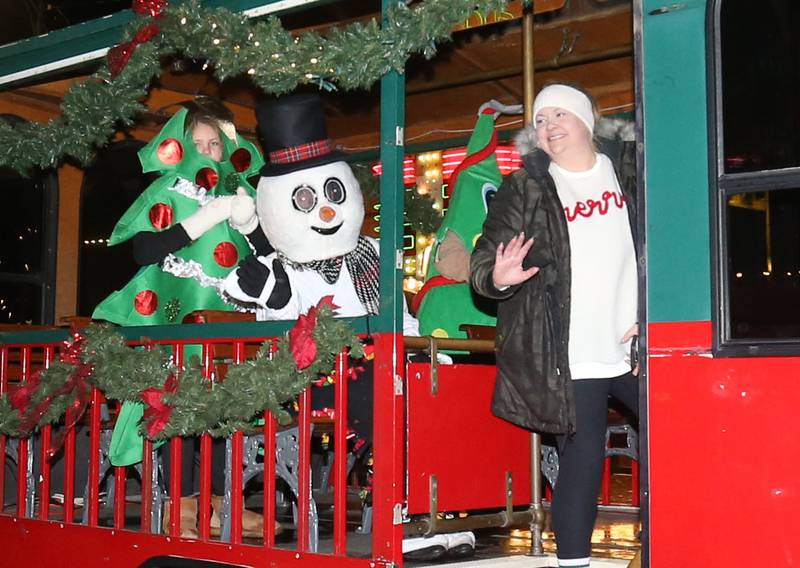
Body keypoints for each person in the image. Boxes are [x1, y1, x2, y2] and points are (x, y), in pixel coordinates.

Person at [470, 83, 639, 568]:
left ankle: (684, 537)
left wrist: (653, 313)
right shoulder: (525, 186)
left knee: (680, 434)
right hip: (569, 348)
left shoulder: (628, 168)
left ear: (587, 120)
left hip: (635, 340)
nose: (549, 126)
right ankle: (573, 564)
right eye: (541, 120)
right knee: (582, 458)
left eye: (560, 114)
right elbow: (486, 257)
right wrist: (495, 277)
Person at [92, 96, 268, 538]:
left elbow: (268, 255)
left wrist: (249, 226)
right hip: (174, 323)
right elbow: (143, 249)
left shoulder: (241, 193)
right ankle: (181, 505)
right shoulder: (168, 190)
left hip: (226, 324)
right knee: (180, 411)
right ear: (179, 147)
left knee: (223, 413)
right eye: (200, 143)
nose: (208, 152)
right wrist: (204, 219)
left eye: (215, 144)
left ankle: (219, 502)